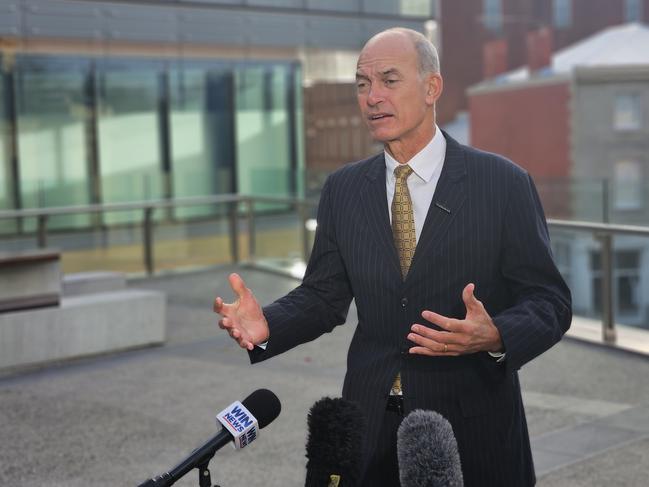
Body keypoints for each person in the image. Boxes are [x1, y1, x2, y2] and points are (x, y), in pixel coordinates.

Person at [214, 27, 572, 486]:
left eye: (388, 79)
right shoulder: (343, 189)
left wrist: (497, 333)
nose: (372, 97)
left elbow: (551, 302)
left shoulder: (502, 184)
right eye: (362, 84)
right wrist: (268, 323)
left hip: (470, 429)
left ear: (432, 87)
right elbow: (324, 295)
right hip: (366, 427)